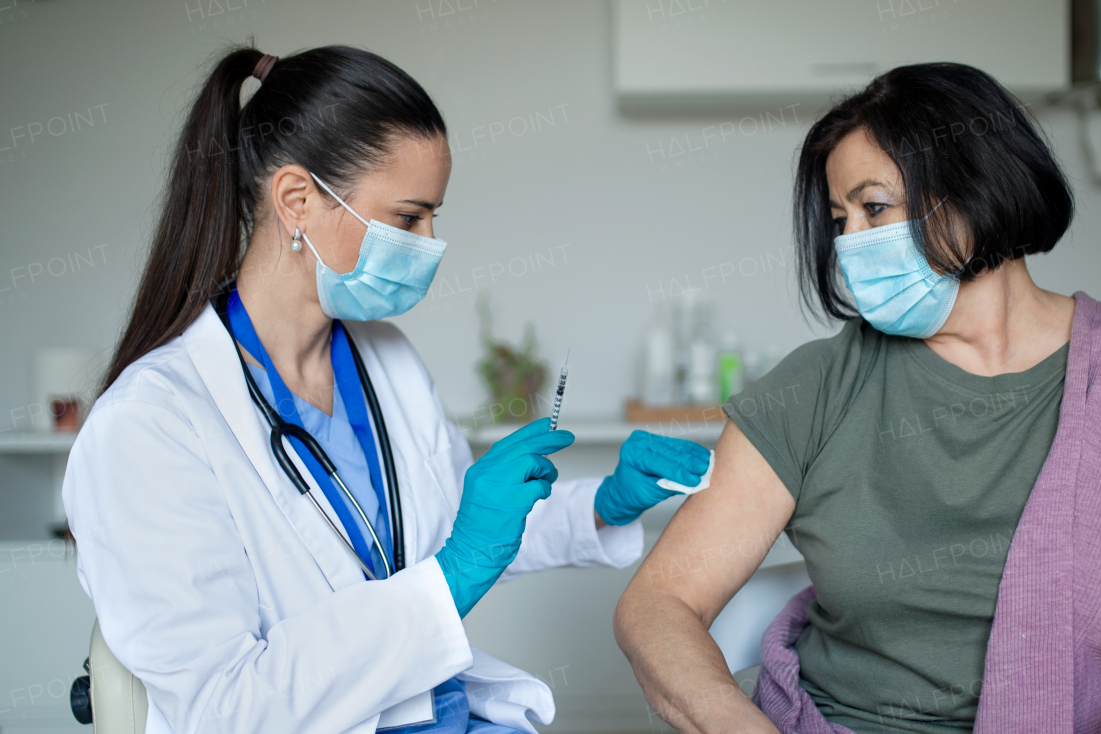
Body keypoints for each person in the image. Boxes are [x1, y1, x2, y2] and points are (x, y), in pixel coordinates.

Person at [63, 45, 709, 734]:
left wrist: (604, 506)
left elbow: (463, 531)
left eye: (434, 216)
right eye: (409, 218)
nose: (432, 241)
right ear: (296, 202)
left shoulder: (382, 361)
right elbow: (226, 709)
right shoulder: (149, 425)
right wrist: (456, 572)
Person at [614, 63, 1101, 733]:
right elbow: (659, 602)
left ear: (976, 184)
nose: (851, 244)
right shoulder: (816, 389)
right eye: (840, 219)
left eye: (875, 208)